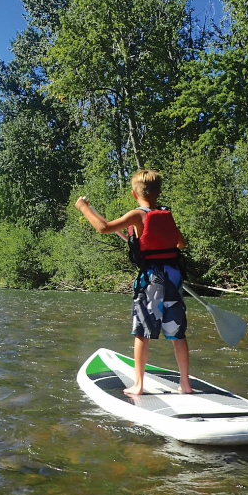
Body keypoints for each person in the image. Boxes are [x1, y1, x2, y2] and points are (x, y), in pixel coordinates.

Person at [75, 169, 193, 395]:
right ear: (159, 192)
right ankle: (185, 385)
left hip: (151, 279)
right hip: (174, 276)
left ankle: (138, 385)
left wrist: (84, 208)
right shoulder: (166, 214)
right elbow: (181, 244)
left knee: (142, 332)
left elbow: (104, 227)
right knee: (177, 333)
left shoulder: (138, 215)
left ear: (133, 193)